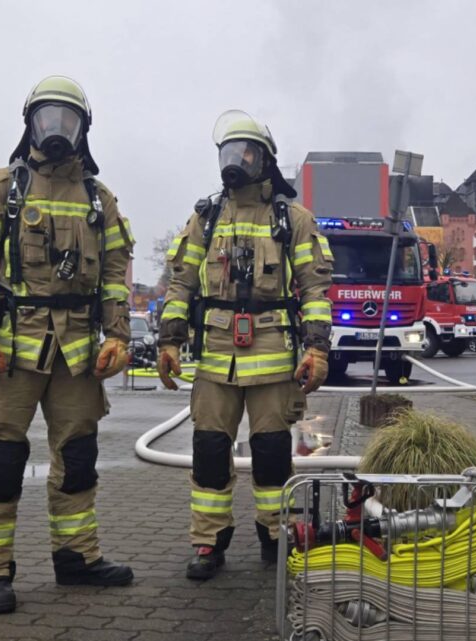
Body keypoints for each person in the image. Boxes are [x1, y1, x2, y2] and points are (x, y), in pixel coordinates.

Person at [0, 75, 135, 613]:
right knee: (2, 458)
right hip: (10, 349)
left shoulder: (101, 200)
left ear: (83, 130)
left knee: (78, 458)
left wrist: (120, 335)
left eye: (68, 121)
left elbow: (116, 275)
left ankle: (77, 560)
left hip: (77, 351)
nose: (57, 130)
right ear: (30, 123)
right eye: (47, 119)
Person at [155, 109, 334, 580]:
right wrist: (169, 342)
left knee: (272, 454)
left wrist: (316, 350)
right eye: (228, 152)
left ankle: (274, 537)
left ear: (265, 161)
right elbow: (180, 285)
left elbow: (315, 291)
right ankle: (209, 542)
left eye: (244, 152)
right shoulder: (206, 217)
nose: (234, 161)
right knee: (210, 451)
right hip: (215, 359)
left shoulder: (293, 219)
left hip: (273, 359)